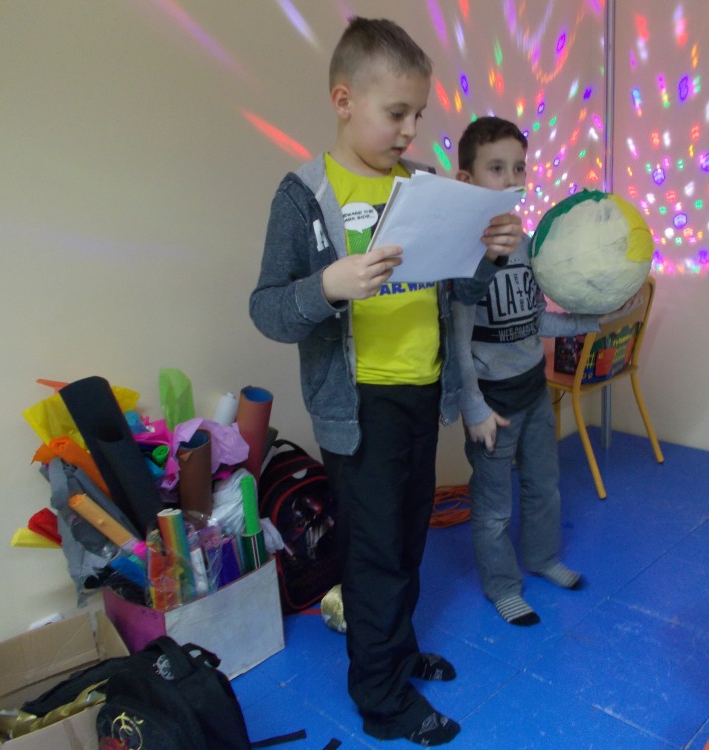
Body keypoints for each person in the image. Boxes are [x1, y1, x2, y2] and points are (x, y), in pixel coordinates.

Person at [249, 18, 522, 747]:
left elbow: (460, 292)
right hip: (358, 408)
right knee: (373, 555)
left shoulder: (424, 185)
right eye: (396, 112)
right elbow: (268, 309)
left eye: (417, 115)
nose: (410, 130)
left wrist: (490, 252)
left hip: (421, 393)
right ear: (344, 100)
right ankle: (380, 699)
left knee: (406, 538)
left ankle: (396, 654)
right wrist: (328, 286)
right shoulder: (303, 195)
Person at [452, 116, 635, 627]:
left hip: (534, 392)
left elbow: (535, 322)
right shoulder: (462, 256)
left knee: (544, 484)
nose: (511, 179)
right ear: (466, 179)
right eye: (496, 168)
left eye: (519, 168)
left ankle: (542, 557)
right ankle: (502, 585)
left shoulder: (529, 245)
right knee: (493, 506)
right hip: (492, 407)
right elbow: (456, 342)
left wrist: (591, 320)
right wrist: (473, 408)